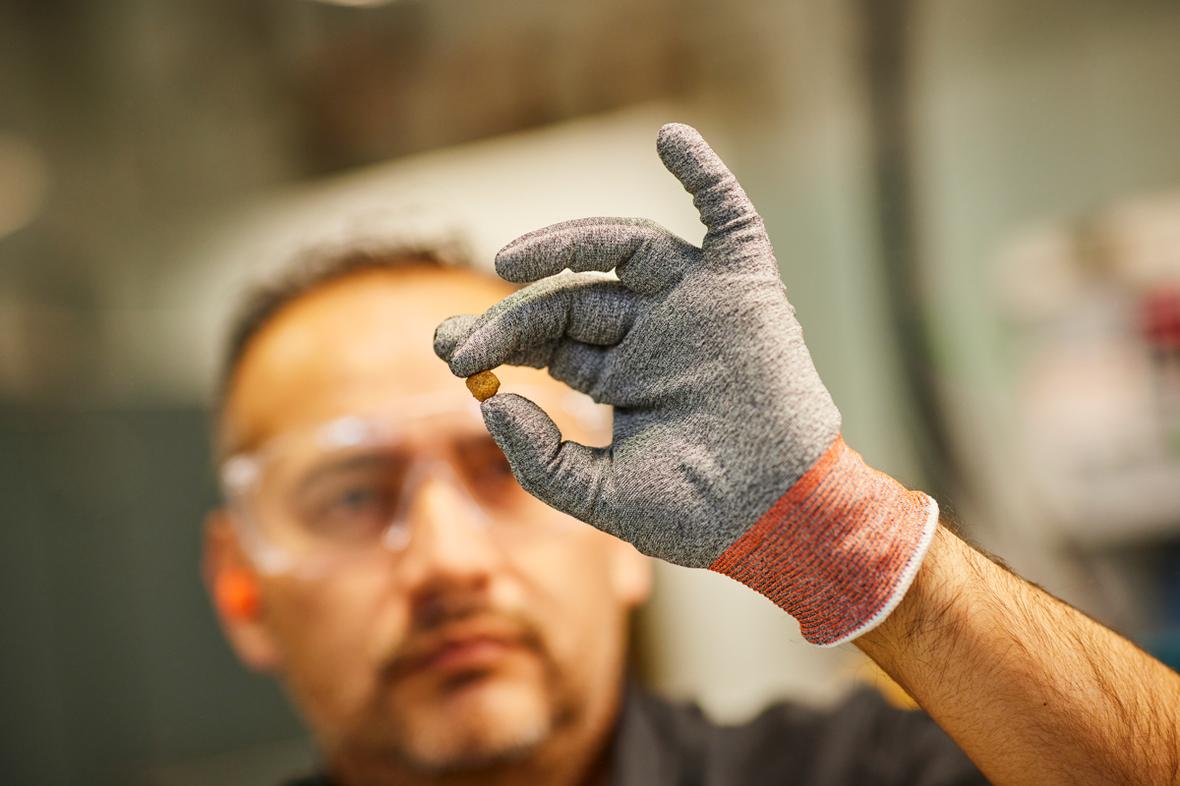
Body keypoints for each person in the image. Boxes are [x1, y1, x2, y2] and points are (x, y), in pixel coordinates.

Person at [204, 124, 1180, 786]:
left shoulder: (854, 773)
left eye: (507, 466)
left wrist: (836, 535)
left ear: (621, 538)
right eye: (347, 496)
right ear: (241, 586)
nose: (448, 562)